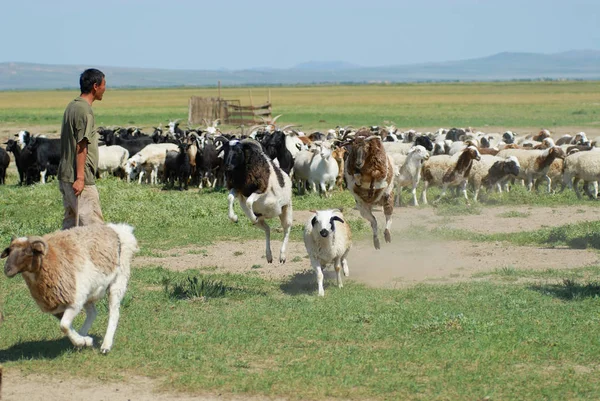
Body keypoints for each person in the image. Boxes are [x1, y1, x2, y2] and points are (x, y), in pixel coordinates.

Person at [58, 68, 106, 229]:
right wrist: (80, 178)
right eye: (104, 85)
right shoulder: (85, 111)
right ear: (95, 86)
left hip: (66, 174)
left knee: (71, 227)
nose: (105, 89)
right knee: (94, 227)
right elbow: (81, 145)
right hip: (79, 177)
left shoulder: (72, 106)